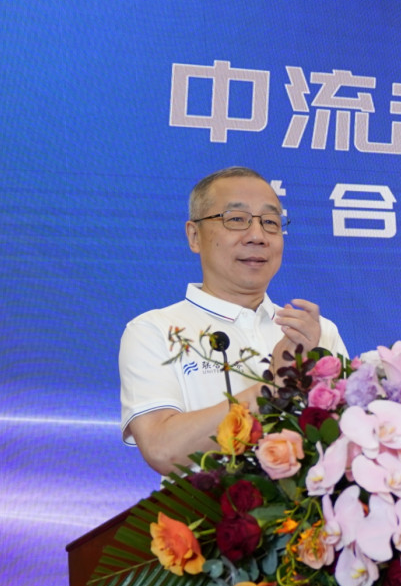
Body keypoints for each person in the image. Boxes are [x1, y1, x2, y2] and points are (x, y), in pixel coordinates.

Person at [119, 166, 346, 473]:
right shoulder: (155, 330)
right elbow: (162, 449)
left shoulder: (316, 332)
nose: (257, 236)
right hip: (205, 505)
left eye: (270, 222)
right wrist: (275, 386)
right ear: (194, 236)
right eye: (236, 219)